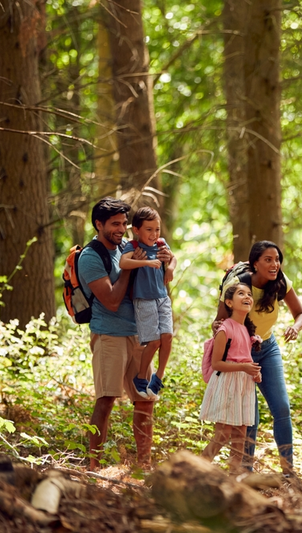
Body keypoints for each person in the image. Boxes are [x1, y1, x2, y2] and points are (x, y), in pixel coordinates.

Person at [78, 197, 174, 471]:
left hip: (140, 334)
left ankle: (144, 464)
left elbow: (157, 279)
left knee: (145, 400)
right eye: (114, 224)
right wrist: (134, 268)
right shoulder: (90, 257)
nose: (121, 229)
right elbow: (110, 299)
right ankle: (93, 466)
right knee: (107, 399)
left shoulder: (129, 246)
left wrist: (164, 263)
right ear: (99, 224)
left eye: (123, 224)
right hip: (109, 334)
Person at [214, 240, 302, 474]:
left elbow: (301, 314)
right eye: (268, 259)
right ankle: (246, 471)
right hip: (242, 353)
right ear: (255, 263)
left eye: (277, 259)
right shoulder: (238, 285)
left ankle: (288, 471)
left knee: (282, 408)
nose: (274, 264)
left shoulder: (281, 282)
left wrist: (295, 327)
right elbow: (218, 322)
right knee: (250, 415)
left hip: (268, 347)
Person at [200, 282, 263, 472]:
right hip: (227, 382)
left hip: (244, 385)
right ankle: (195, 471)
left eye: (249, 294)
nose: (247, 297)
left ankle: (234, 480)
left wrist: (254, 372)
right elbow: (217, 363)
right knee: (222, 435)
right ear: (228, 302)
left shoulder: (246, 330)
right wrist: (243, 366)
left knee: (240, 437)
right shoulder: (225, 329)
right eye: (240, 294)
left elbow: (244, 357)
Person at [119, 207, 176, 400]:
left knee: (167, 336)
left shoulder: (161, 244)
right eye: (149, 229)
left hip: (162, 297)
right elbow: (123, 263)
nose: (154, 234)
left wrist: (170, 269)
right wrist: (144, 263)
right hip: (144, 299)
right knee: (154, 341)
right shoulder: (133, 246)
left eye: (157, 229)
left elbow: (173, 258)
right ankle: (141, 375)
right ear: (136, 229)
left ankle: (158, 376)